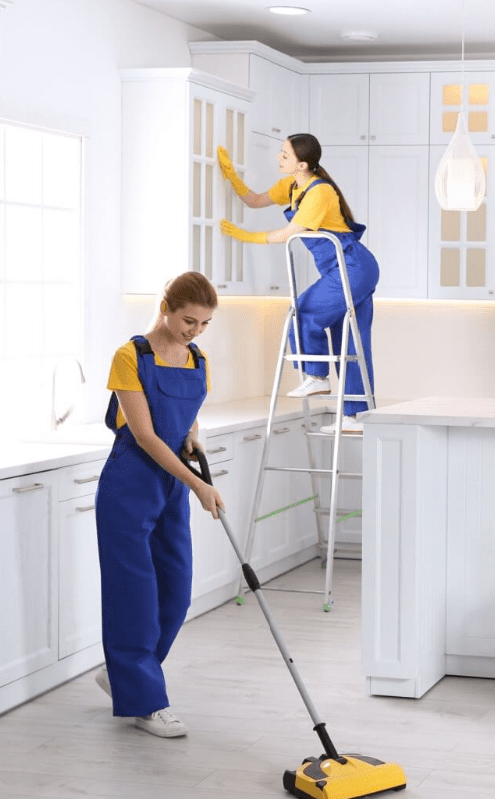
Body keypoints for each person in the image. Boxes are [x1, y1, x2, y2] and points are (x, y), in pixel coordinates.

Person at [93, 271, 224, 738]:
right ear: (166, 307)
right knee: (135, 598)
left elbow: (185, 420)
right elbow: (145, 435)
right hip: (131, 484)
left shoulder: (198, 359)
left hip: (170, 484)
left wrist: (193, 439)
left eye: (205, 323)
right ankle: (146, 702)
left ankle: (124, 675)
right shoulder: (130, 356)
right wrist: (198, 485)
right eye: (189, 320)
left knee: (175, 592)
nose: (194, 331)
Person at [217, 133, 379, 435]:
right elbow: (255, 200)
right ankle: (357, 417)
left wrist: (245, 237)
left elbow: (290, 233)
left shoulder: (320, 192)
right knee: (351, 340)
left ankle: (317, 377)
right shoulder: (292, 186)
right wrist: (231, 177)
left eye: (284, 156)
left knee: (303, 312)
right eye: (280, 153)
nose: (279, 159)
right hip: (344, 269)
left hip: (351, 266)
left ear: (302, 164)